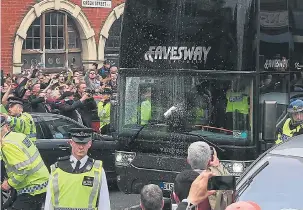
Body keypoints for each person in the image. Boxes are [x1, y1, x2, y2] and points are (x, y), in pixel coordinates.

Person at [44, 128, 110, 210]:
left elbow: (104, 203)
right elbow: (49, 201)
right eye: (77, 143)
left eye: (84, 143)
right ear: (71, 143)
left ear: (89, 144)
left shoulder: (97, 169)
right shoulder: (57, 169)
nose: (81, 147)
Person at [0, 116, 49, 210]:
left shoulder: (7, 145)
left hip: (32, 188)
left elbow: (23, 169)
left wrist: (9, 183)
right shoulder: (18, 136)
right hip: (42, 183)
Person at [187, 141, 232, 210]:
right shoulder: (216, 182)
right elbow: (231, 190)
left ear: (188, 160)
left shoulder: (181, 180)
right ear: (209, 161)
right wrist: (218, 167)